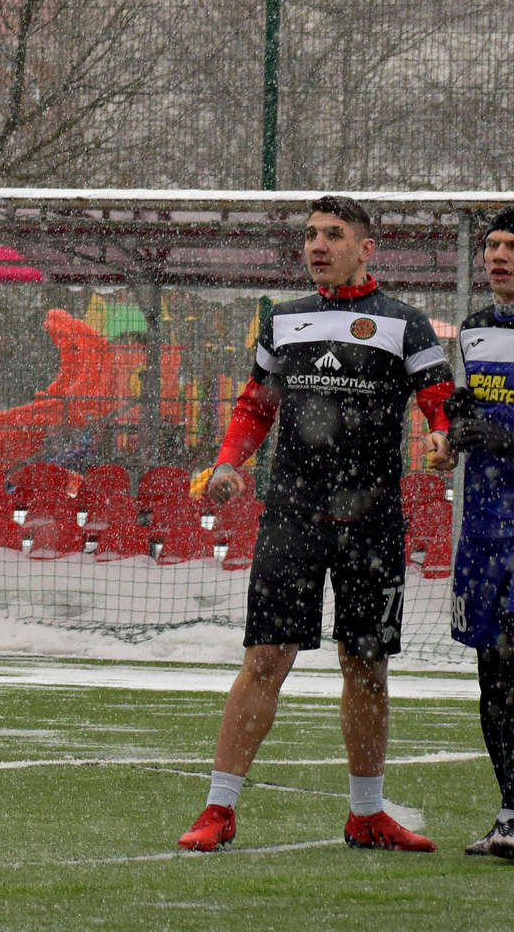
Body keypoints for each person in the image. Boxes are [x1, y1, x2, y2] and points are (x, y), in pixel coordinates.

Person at [178, 195, 455, 853]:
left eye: (333, 233)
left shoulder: (405, 323)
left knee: (366, 665)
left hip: (372, 521)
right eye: (309, 234)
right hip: (293, 517)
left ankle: (366, 814)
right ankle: (219, 808)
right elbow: (255, 404)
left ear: (367, 247)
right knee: (266, 657)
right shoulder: (284, 320)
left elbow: (440, 400)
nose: (317, 244)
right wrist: (228, 460)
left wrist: (443, 436)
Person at [444, 205, 514, 859]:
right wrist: (458, 425)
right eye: (492, 245)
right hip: (484, 531)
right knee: (490, 674)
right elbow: (468, 407)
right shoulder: (474, 329)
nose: (498, 256)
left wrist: (506, 436)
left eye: (510, 246)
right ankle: (508, 811)